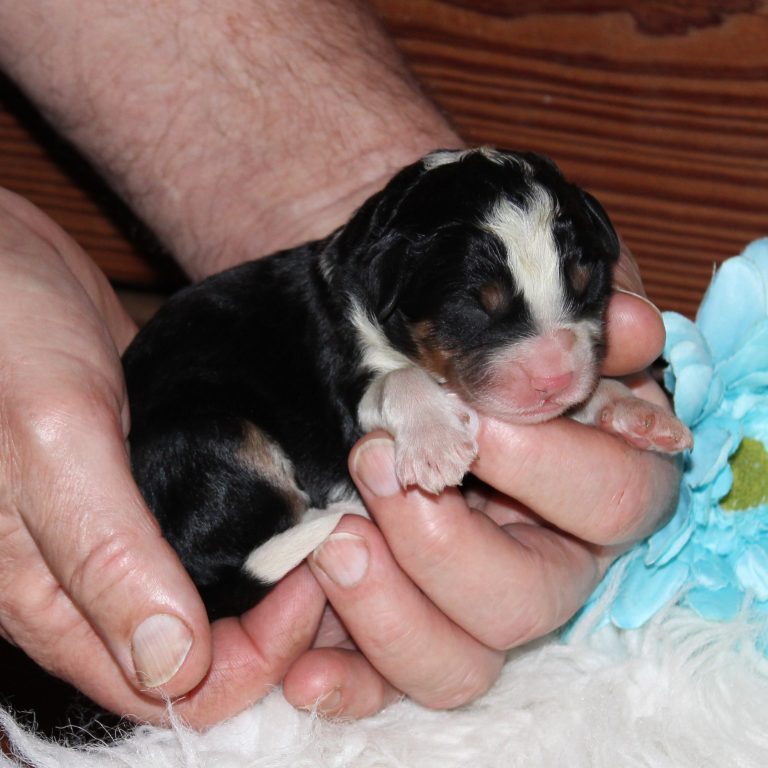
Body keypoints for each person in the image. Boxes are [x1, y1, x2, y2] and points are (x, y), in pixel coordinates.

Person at [0, 0, 680, 728]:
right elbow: (376, 395)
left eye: (581, 301)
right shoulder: (350, 319)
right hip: (195, 461)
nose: (557, 363)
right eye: (482, 311)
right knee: (221, 443)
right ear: (392, 289)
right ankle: (249, 564)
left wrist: (609, 401)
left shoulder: (400, 288)